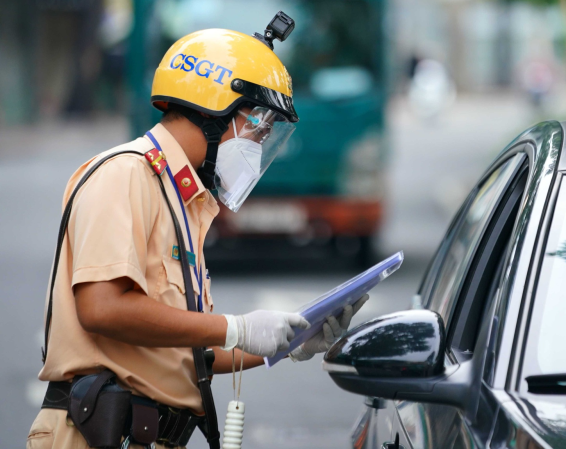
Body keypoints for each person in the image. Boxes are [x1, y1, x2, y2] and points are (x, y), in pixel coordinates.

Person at [27, 23, 367, 449]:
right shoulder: (125, 173)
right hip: (96, 433)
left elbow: (189, 350)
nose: (261, 141)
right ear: (213, 108)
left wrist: (289, 340)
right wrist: (236, 327)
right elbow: (101, 306)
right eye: (259, 124)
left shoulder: (185, 201)